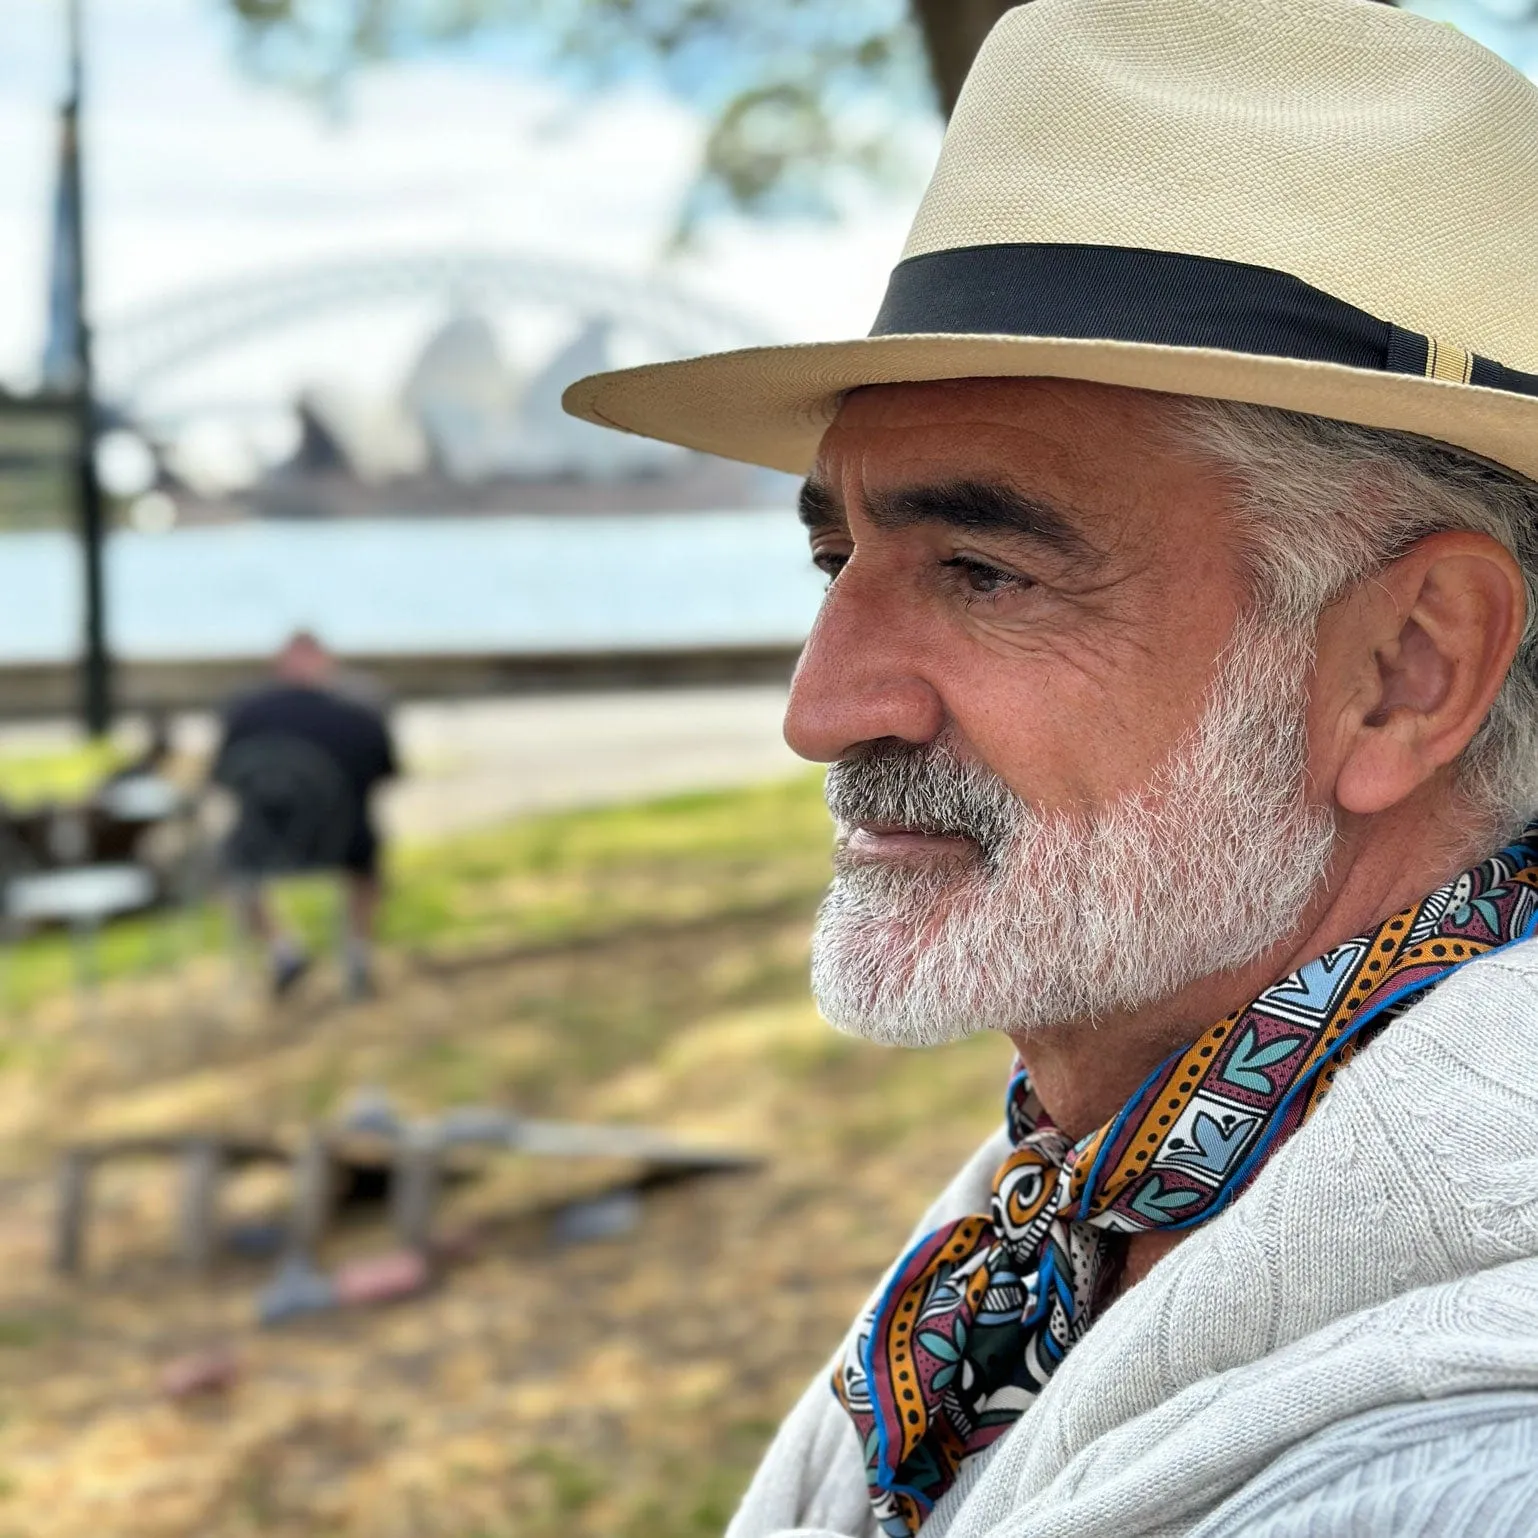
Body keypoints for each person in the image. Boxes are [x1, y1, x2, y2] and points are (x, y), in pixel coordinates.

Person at [565, 2, 1538, 1533]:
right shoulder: (1099, 1187)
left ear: (1403, 671)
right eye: (837, 557)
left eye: (981, 568)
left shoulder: (1467, 1455)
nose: (823, 707)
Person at [215, 631, 397, 999]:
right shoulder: (357, 714)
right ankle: (356, 953)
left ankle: (283, 952)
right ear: (326, 664)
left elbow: (224, 778)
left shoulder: (246, 714)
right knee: (367, 855)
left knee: (227, 863)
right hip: (342, 841)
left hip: (263, 843)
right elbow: (385, 774)